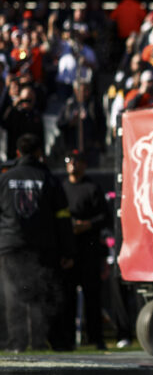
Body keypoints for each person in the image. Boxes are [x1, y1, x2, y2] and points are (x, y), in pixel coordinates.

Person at [0, 134, 75, 352]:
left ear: (17, 153)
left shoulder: (4, 179)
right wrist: (68, 250)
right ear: (39, 153)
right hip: (42, 247)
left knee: (13, 295)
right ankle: (41, 341)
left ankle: (17, 343)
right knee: (43, 293)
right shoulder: (48, 179)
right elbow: (62, 218)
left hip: (10, 246)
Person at [60, 150, 108, 350]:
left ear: (84, 165)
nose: (73, 164)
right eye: (69, 160)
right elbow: (58, 216)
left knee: (92, 297)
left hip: (89, 250)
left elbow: (104, 217)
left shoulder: (92, 187)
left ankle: (97, 339)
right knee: (67, 298)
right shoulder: (61, 188)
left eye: (77, 161)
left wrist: (86, 225)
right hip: (69, 250)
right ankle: (68, 340)